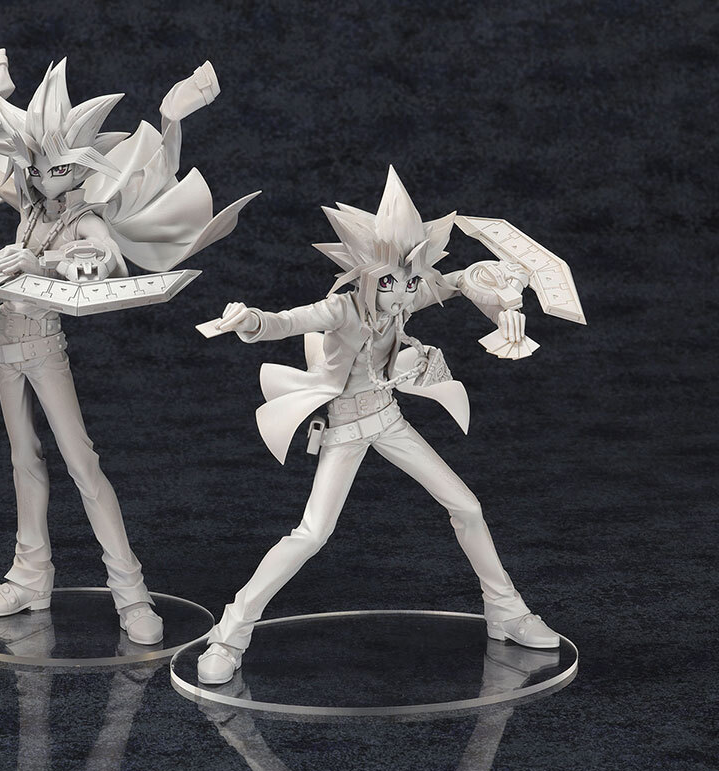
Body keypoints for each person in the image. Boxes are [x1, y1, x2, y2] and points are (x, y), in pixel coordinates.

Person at [0, 50, 256, 644]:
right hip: (5, 344)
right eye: (33, 164)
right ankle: (29, 577)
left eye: (51, 167)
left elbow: (106, 265)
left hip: (43, 346)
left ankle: (130, 593)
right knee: (23, 459)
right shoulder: (30, 203)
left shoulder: (84, 219)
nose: (37, 175)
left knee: (82, 464)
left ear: (79, 168)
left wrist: (43, 263)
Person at [197, 166, 563, 683]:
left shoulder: (408, 296)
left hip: (388, 419)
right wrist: (250, 320)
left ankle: (506, 611)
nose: (403, 293)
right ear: (364, 273)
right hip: (346, 429)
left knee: (466, 506)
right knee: (311, 534)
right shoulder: (341, 309)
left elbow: (459, 281)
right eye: (390, 281)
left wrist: (504, 288)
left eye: (410, 281)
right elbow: (286, 321)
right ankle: (230, 634)